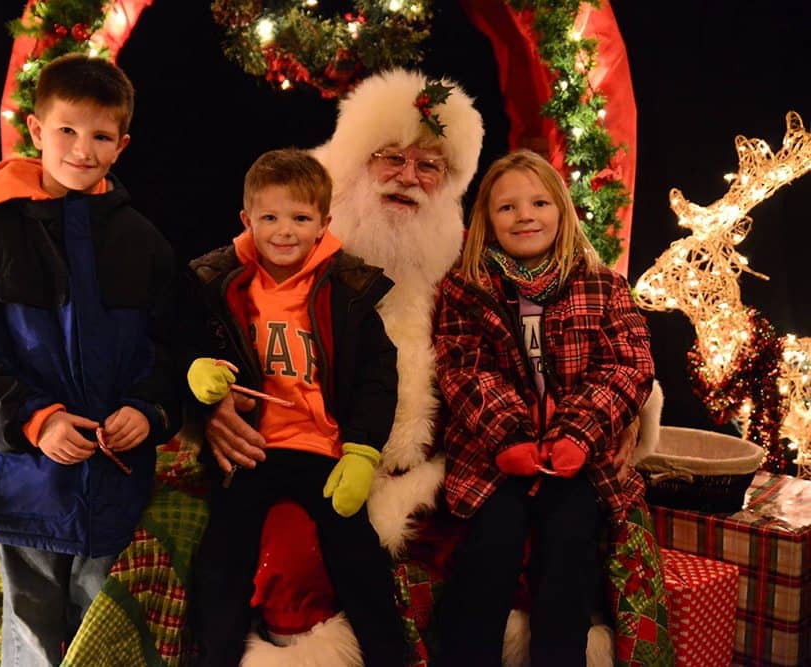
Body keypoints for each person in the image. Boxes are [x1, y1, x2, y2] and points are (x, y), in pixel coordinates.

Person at [201, 69, 485, 664]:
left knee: (363, 556)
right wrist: (203, 388)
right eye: (391, 159)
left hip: (376, 459)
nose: (409, 178)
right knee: (239, 555)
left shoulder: (457, 265)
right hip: (271, 450)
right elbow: (197, 328)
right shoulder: (262, 267)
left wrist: (364, 452)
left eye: (429, 166)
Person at [0, 53, 180, 666]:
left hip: (115, 479)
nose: (81, 149)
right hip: (25, 481)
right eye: (66, 130)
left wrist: (150, 409)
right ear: (37, 131)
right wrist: (33, 420)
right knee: (32, 635)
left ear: (121, 144)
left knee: (103, 636)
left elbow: (174, 345)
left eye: (100, 135)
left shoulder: (143, 241)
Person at [184, 148, 407, 667]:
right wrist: (199, 372)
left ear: (323, 223)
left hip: (322, 448)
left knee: (358, 557)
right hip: (251, 446)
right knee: (222, 561)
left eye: (300, 219)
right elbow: (186, 345)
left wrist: (362, 450)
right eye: (270, 218)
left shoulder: (346, 289)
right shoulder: (219, 283)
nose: (284, 231)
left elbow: (379, 374)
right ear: (247, 220)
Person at [433, 148, 655, 666]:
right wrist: (509, 435)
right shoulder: (467, 290)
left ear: (562, 210)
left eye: (538, 203)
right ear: (487, 220)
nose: (525, 216)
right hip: (494, 458)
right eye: (507, 207)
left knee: (570, 547)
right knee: (492, 545)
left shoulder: (602, 286)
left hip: (578, 458)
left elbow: (627, 365)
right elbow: (463, 367)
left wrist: (579, 433)